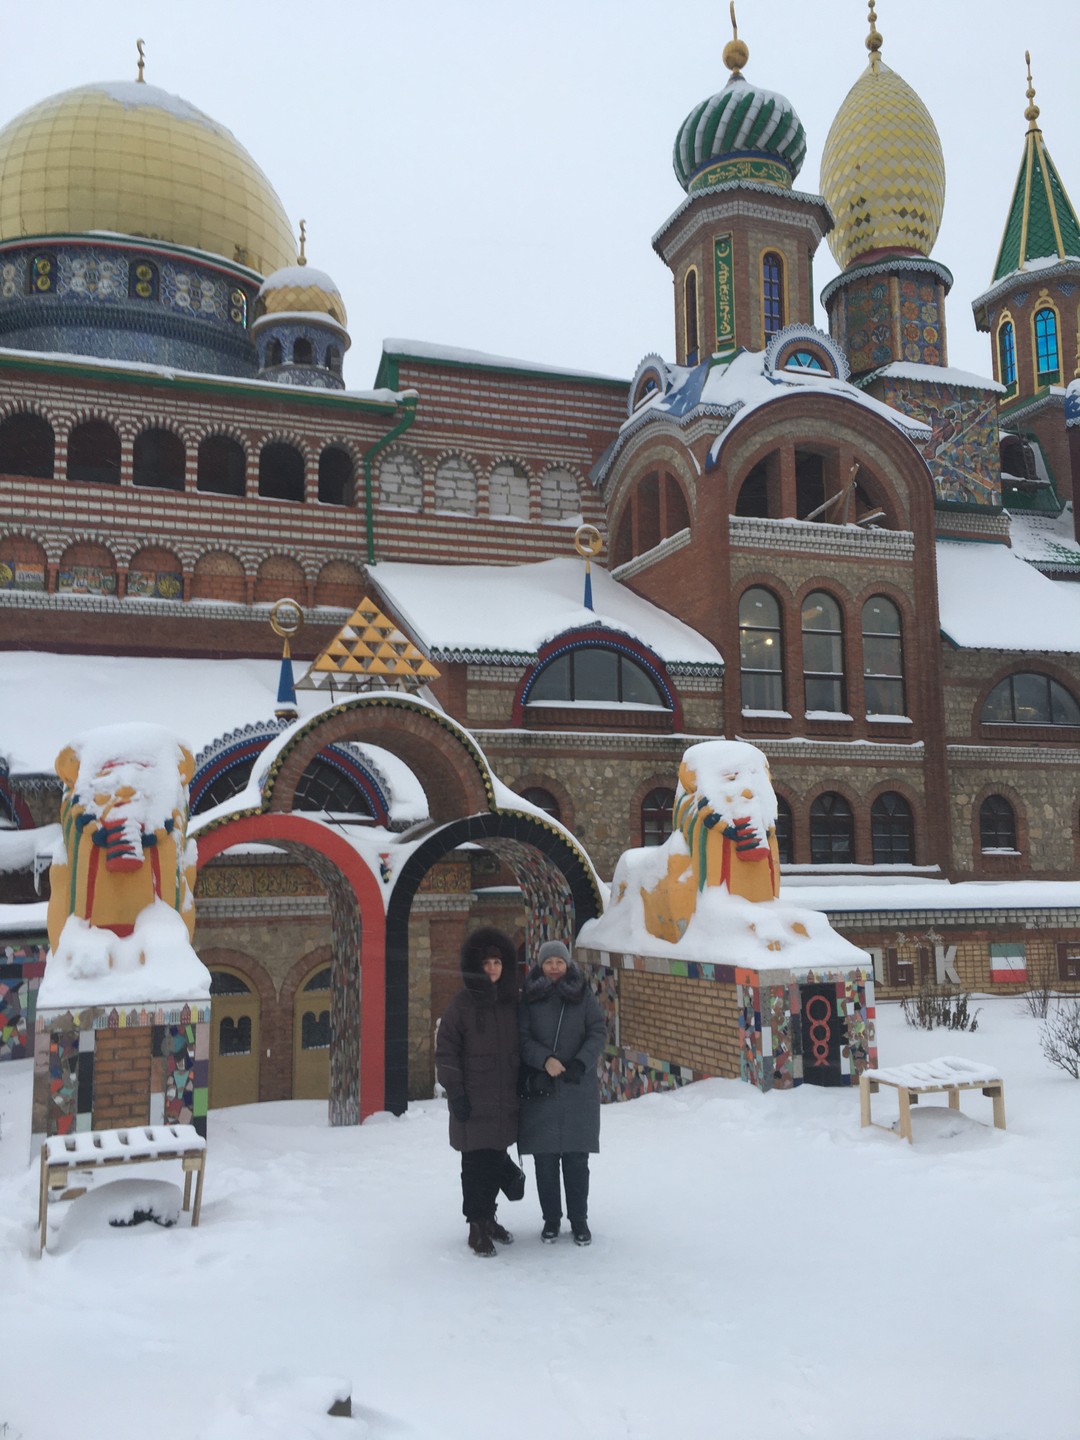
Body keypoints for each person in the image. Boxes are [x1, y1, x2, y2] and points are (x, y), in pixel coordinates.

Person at [434, 925, 520, 1258]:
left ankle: (490, 1218)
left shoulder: (511, 1003)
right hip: (473, 1101)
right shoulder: (461, 1006)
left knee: (496, 1161)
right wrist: (456, 1093)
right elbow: (447, 1052)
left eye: (497, 962)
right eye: (486, 963)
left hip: (503, 1102)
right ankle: (476, 1226)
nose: (493, 969)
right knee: (474, 1166)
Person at [518, 938, 606, 1245]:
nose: (554, 968)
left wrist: (582, 1063)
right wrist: (544, 1060)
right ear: (540, 965)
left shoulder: (582, 995)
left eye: (559, 962)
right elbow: (522, 1038)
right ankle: (551, 1219)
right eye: (548, 962)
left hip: (576, 1088)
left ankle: (579, 1220)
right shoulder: (529, 998)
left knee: (576, 1159)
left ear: (567, 964)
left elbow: (597, 1030)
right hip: (542, 1089)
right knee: (545, 1160)